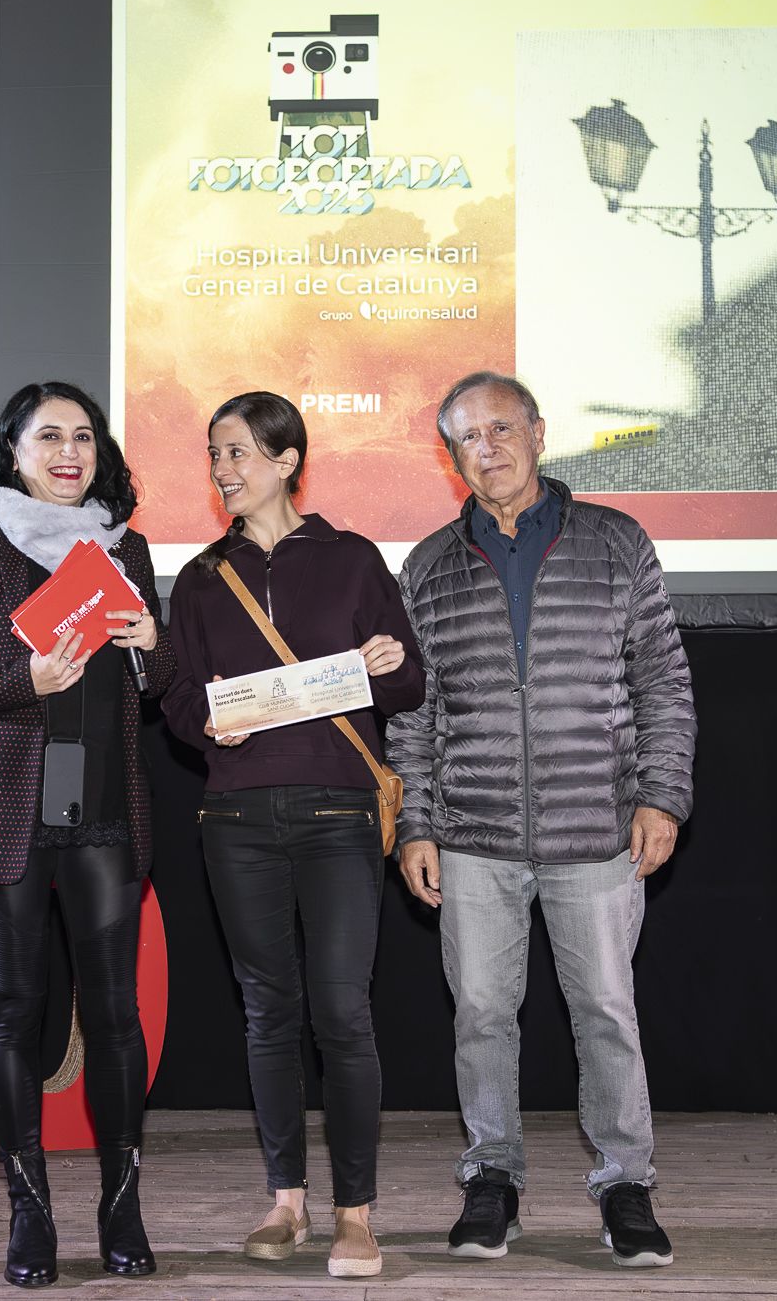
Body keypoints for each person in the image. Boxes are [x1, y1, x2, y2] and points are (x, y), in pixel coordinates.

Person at [386, 371, 697, 1269]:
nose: (488, 448)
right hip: (472, 836)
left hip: (597, 829)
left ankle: (625, 1184)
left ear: (538, 432)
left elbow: (664, 683)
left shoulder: (616, 542)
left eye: (501, 428)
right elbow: (414, 713)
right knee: (482, 1012)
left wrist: (661, 794)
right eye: (467, 438)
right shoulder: (429, 566)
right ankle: (492, 1178)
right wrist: (416, 825)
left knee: (605, 1008)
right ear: (453, 459)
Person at [0, 381, 174, 1288]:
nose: (71, 452)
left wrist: (152, 642)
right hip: (2, 812)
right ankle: (29, 1211)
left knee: (114, 1014)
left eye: (85, 437)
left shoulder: (126, 547)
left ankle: (122, 1203)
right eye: (49, 436)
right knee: (15, 1010)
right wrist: (22, 677)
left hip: (102, 804)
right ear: (12, 451)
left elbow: (156, 680)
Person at [161, 391, 424, 1279]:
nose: (221, 470)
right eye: (213, 455)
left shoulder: (352, 559)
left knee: (343, 1013)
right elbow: (176, 694)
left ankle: (356, 1213)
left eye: (236, 452)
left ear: (285, 459)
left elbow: (409, 679)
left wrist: (388, 665)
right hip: (236, 818)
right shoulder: (199, 578)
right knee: (269, 1012)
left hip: (339, 814)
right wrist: (205, 724)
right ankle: (286, 1201)